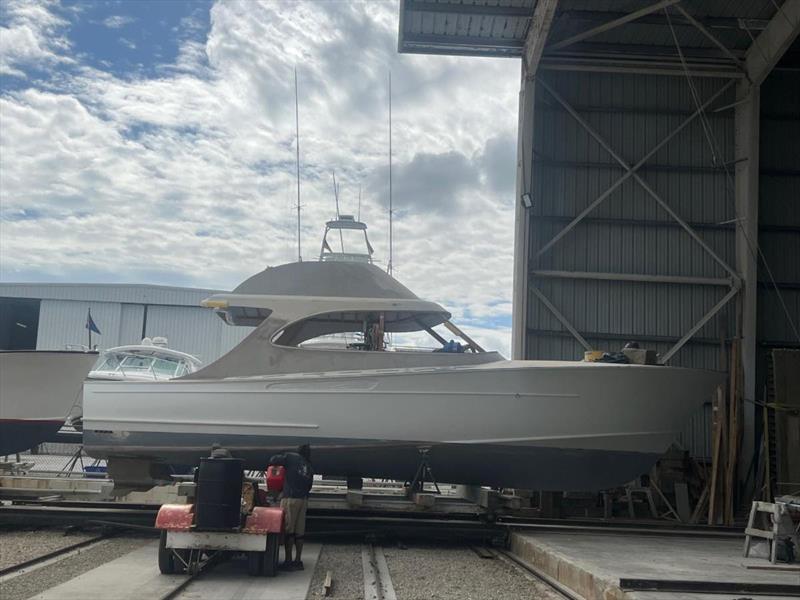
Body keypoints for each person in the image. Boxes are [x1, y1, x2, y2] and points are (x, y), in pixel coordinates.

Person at [268, 444, 313, 570]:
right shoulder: (309, 466)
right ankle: (298, 560)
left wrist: (282, 452)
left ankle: (288, 560)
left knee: (289, 530)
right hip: (303, 500)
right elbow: (309, 486)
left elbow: (273, 460)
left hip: (290, 498)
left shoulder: (291, 457)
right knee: (299, 532)